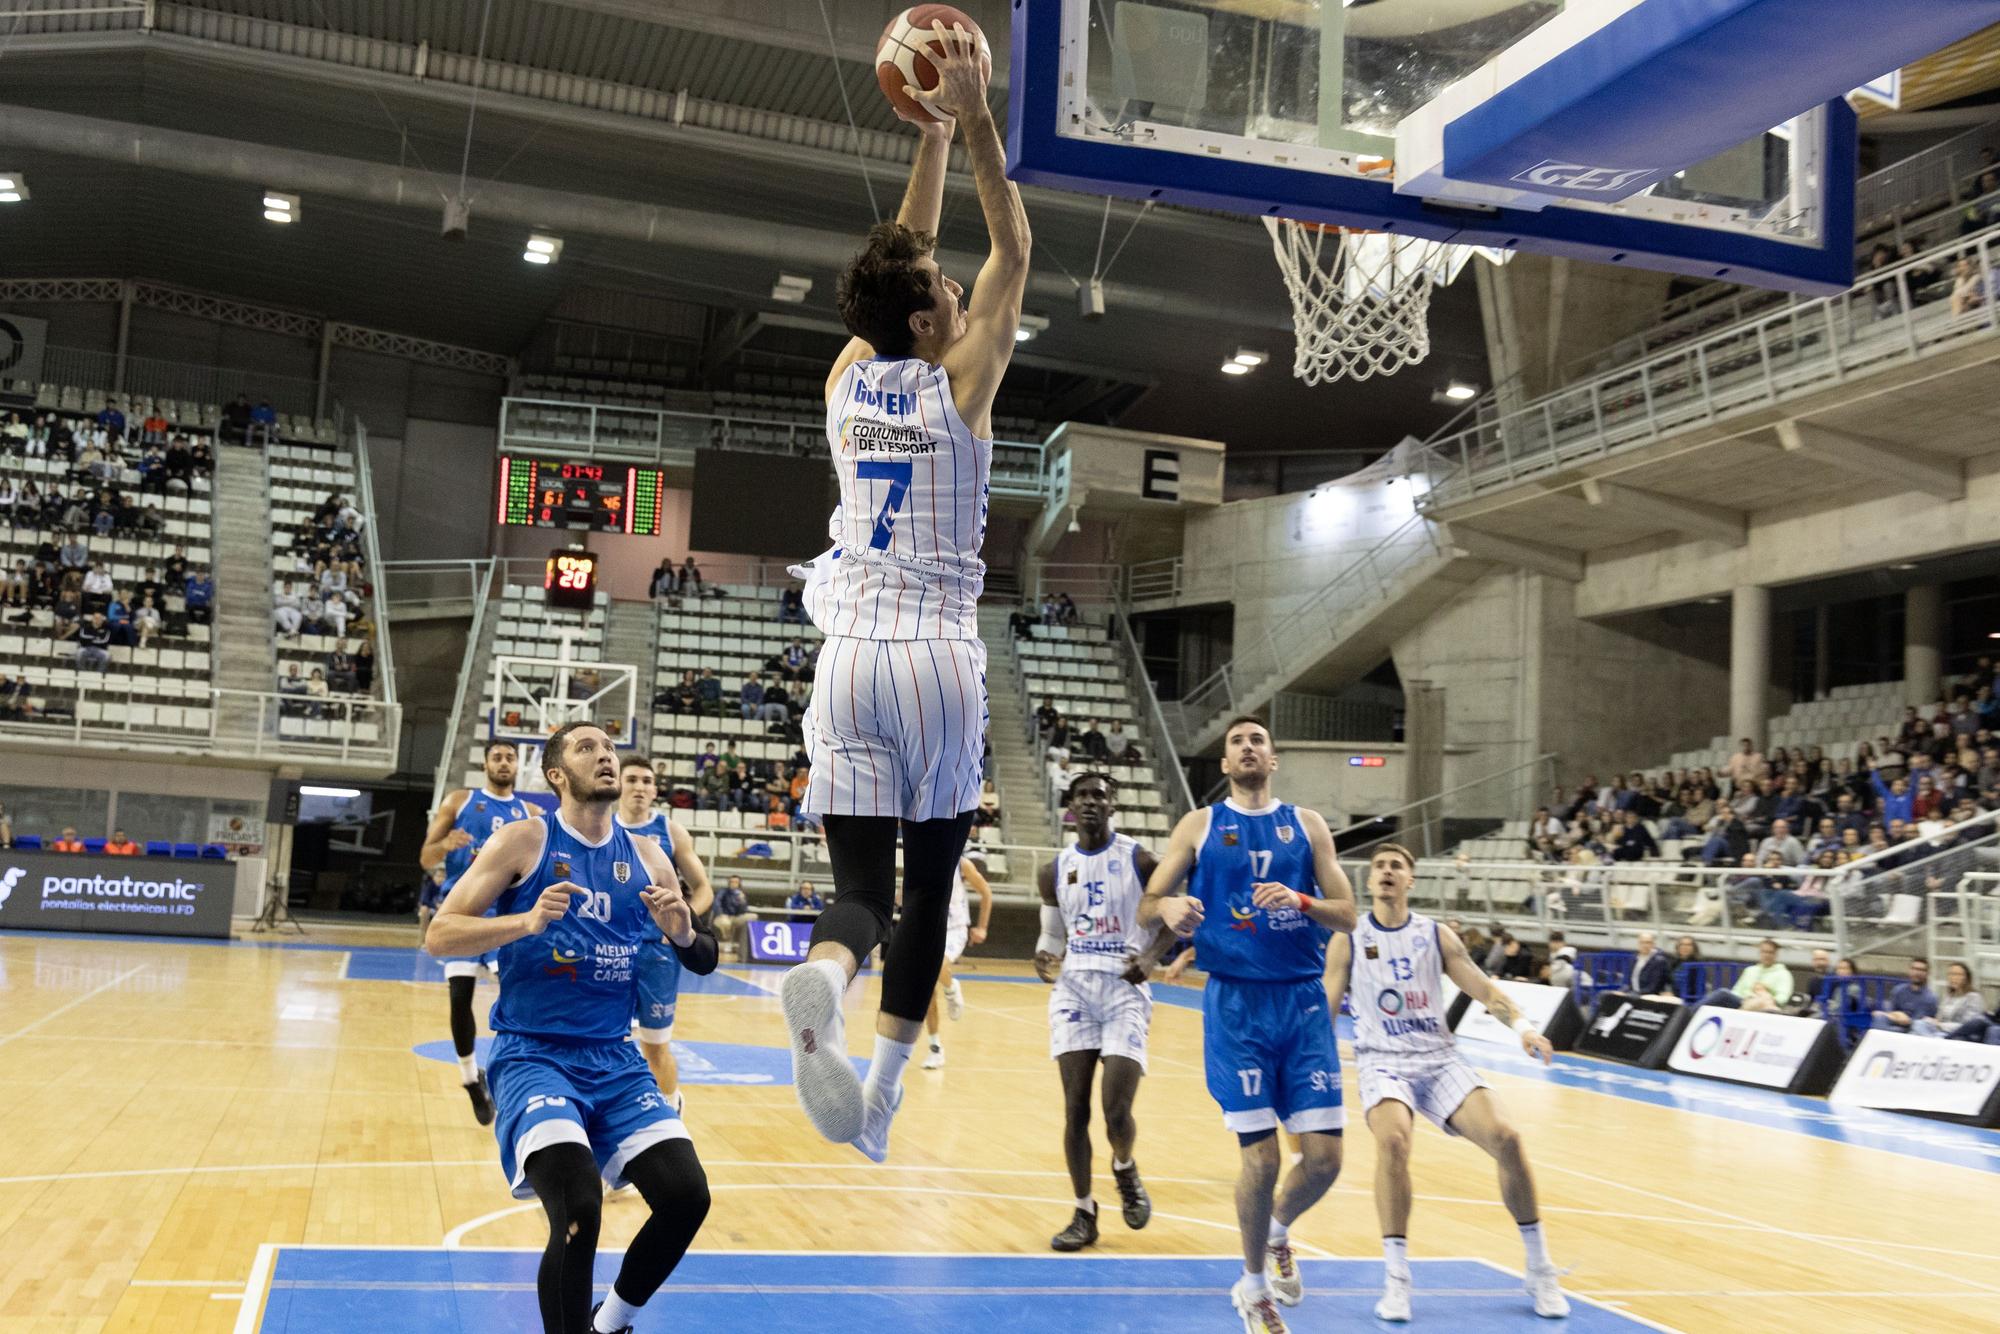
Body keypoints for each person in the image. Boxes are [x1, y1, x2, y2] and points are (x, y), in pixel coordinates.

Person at [777, 21, 1031, 1164]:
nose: (957, 289)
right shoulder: (956, 389)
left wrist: (920, 136)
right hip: (933, 656)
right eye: (943, 290)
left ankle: (823, 975)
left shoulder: (846, 378)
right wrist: (971, 117)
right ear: (930, 325)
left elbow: (898, 256)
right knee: (927, 889)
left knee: (855, 894)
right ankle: (876, 1100)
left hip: (842, 658)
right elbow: (1011, 250)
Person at [424, 722, 715, 1334]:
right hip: (534, 1055)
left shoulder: (647, 857)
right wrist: (524, 923)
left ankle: (609, 1323)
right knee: (579, 1208)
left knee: (688, 1198)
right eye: (588, 749)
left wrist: (684, 931)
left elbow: (702, 953)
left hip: (614, 1059)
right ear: (556, 775)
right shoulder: (523, 839)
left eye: (609, 749)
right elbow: (440, 934)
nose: (605, 757)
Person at [1138, 716, 1357, 1333]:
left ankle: (1278, 1233)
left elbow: (1349, 915)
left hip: (1304, 1006)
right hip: (1237, 1007)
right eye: (1237, 742)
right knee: (1260, 1162)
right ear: (1226, 765)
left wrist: (1303, 901)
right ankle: (1253, 1286)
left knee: (1325, 1161)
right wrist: (1171, 905)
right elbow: (1147, 904)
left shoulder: (1308, 825)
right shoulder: (1201, 825)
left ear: (1273, 759)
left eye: (1258, 739)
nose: (1248, 747)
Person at [1329, 844, 1570, 1323]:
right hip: (1383, 1061)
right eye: (1379, 866)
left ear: (1411, 881)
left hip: (1439, 1059)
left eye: (1397, 866)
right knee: (1394, 1142)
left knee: (1508, 1138)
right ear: (1370, 880)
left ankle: (1539, 1267)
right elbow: (1325, 1003)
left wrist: (1524, 1028)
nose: (1386, 872)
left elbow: (1482, 988)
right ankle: (1397, 1277)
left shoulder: (1434, 935)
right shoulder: (1350, 936)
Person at [1033, 772, 1170, 1251]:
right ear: (1070, 806)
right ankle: (1084, 1211)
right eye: (1082, 796)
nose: (1091, 803)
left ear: (1114, 805)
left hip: (1124, 989)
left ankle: (1124, 1166)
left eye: (1100, 796)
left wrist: (1151, 958)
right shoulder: (1054, 869)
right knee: (1074, 1110)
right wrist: (1043, 955)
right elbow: (1051, 935)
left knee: (1116, 1110)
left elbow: (1177, 917)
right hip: (1074, 990)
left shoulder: (1140, 859)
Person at [419, 741, 537, 1124]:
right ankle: (471, 1079)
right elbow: (425, 857)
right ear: (485, 764)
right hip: (464, 910)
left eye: (509, 757)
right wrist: (444, 844)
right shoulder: (459, 802)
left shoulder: (530, 813)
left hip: (506, 914)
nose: (503, 763)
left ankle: (519, 1075)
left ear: (517, 765)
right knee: (460, 997)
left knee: (519, 995)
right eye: (497, 757)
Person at [921, 854, 993, 1070]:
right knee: (927, 992)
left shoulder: (961, 864)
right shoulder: (921, 859)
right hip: (929, 929)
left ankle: (951, 988)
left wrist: (982, 927)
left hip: (955, 930)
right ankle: (935, 1048)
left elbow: (986, 893)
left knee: (937, 965)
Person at [1871, 958, 1937, 1033]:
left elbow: (1916, 1022)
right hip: (1895, 1022)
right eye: (1914, 969)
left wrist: (1902, 1018)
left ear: (1927, 973)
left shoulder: (1930, 997)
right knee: (1879, 1018)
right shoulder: (1898, 990)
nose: (1917, 973)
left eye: (1921, 970)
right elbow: (1890, 1012)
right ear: (1910, 971)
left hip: (1913, 1029)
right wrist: (1894, 1015)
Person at [711, 875, 750, 959]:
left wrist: (742, 901)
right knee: (725, 923)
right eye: (732, 882)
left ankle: (744, 946)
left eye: (736, 882)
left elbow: (744, 910)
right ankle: (728, 941)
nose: (734, 884)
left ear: (739, 884)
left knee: (751, 917)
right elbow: (716, 903)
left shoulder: (741, 894)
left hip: (736, 917)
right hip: (723, 916)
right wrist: (721, 914)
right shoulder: (723, 892)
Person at [1627, 931, 1672, 997]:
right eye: (1642, 942)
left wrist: (1633, 994)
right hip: (1633, 994)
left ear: (1653, 944)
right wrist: (1621, 991)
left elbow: (1653, 988)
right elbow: (1627, 982)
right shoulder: (1633, 959)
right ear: (1638, 944)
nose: (1645, 945)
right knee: (1610, 996)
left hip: (1649, 995)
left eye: (1648, 943)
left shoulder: (1659, 961)